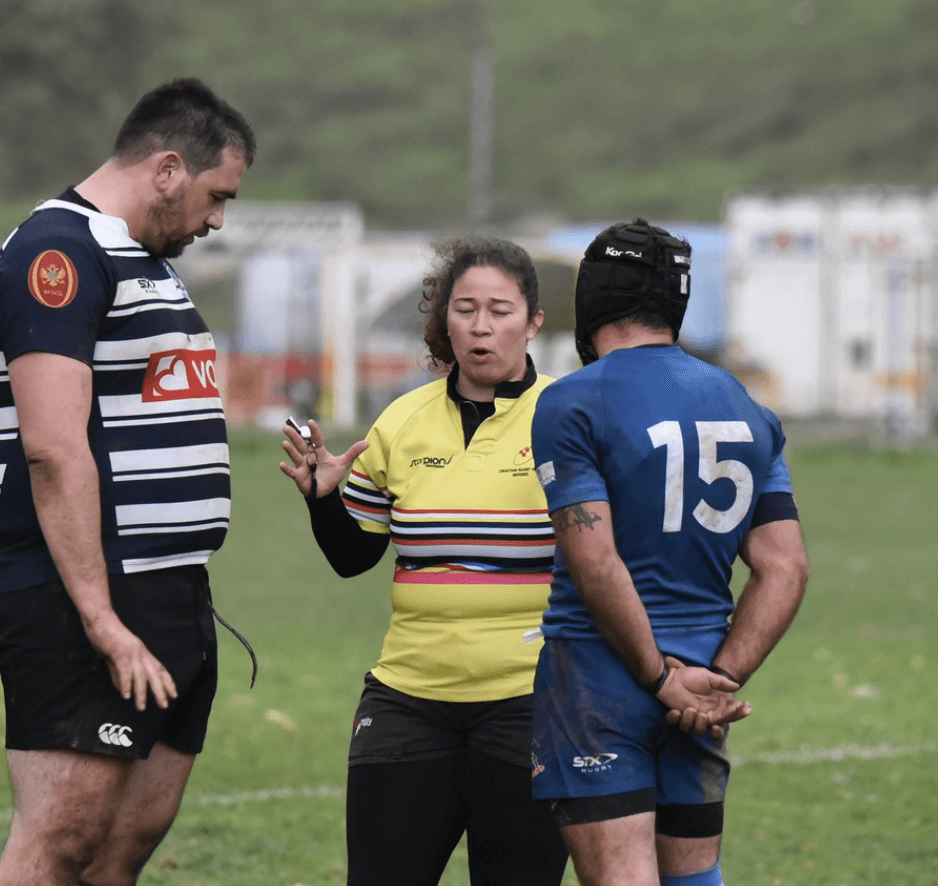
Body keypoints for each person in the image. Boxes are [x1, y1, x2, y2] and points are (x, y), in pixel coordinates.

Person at [0, 78, 256, 886]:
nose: (216, 220)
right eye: (215, 196)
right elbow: (54, 449)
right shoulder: (56, 252)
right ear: (168, 168)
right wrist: (100, 618)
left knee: (121, 846)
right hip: (82, 596)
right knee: (61, 839)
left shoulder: (146, 260)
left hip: (170, 592)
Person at [528, 219, 811, 886]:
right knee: (694, 878)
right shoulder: (745, 404)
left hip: (601, 682)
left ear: (592, 298)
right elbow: (785, 565)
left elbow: (595, 561)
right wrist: (715, 682)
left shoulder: (571, 402)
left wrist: (659, 679)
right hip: (706, 683)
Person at [278, 238, 570, 886]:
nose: (482, 325)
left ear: (533, 320)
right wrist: (323, 503)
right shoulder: (400, 423)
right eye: (465, 308)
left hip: (530, 704)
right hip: (408, 703)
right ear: (445, 321)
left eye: (500, 309)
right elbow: (355, 560)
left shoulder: (568, 421)